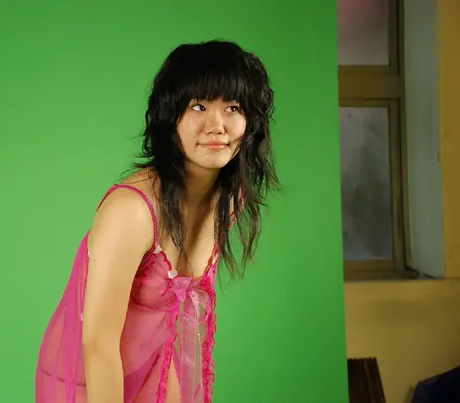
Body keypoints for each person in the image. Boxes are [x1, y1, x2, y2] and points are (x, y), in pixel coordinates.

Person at [35, 39, 278, 403]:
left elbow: (174, 323)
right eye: (199, 106)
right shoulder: (131, 211)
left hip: (153, 368)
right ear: (171, 117)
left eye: (232, 107)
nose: (217, 126)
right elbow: (99, 346)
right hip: (88, 380)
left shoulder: (229, 200)